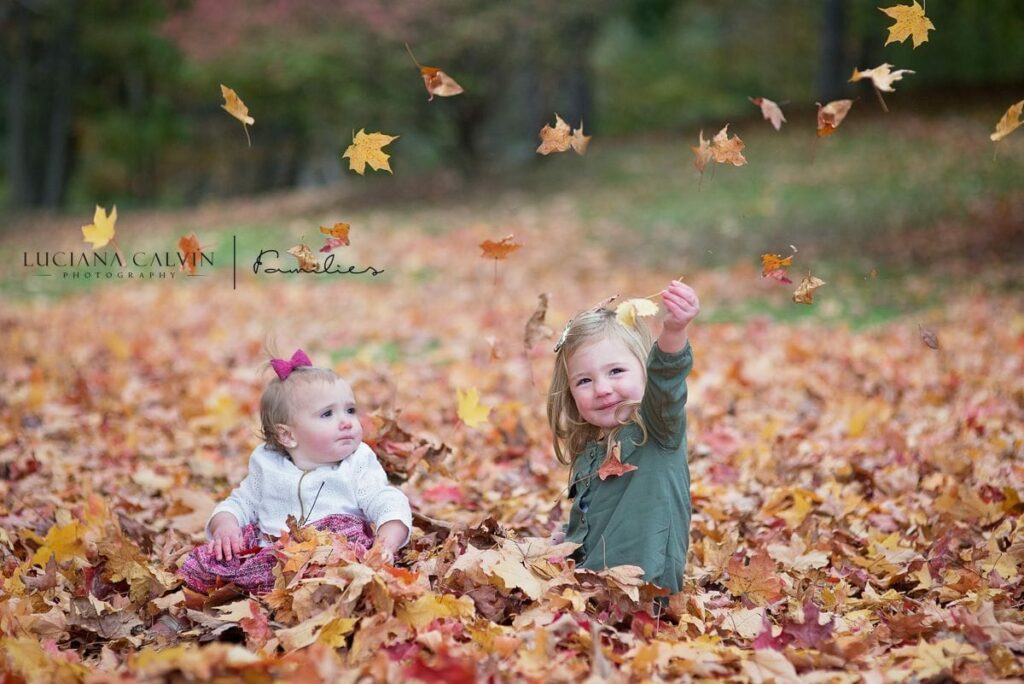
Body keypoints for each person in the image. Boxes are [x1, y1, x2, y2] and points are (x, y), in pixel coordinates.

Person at [179, 349, 412, 594]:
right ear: (287, 435)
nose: (346, 422)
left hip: (334, 552)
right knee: (210, 564)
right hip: (274, 557)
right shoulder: (268, 465)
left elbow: (385, 500)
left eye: (350, 410)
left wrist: (386, 543)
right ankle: (258, 586)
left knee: (348, 557)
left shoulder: (356, 463)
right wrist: (226, 525)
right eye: (327, 414)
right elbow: (241, 502)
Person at [547, 281, 699, 594]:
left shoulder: (658, 430)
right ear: (570, 393)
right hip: (593, 589)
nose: (602, 389)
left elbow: (667, 380)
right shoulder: (591, 449)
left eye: (616, 371)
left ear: (645, 370)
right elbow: (593, 518)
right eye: (584, 380)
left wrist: (673, 331)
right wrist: (568, 539)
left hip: (643, 592)